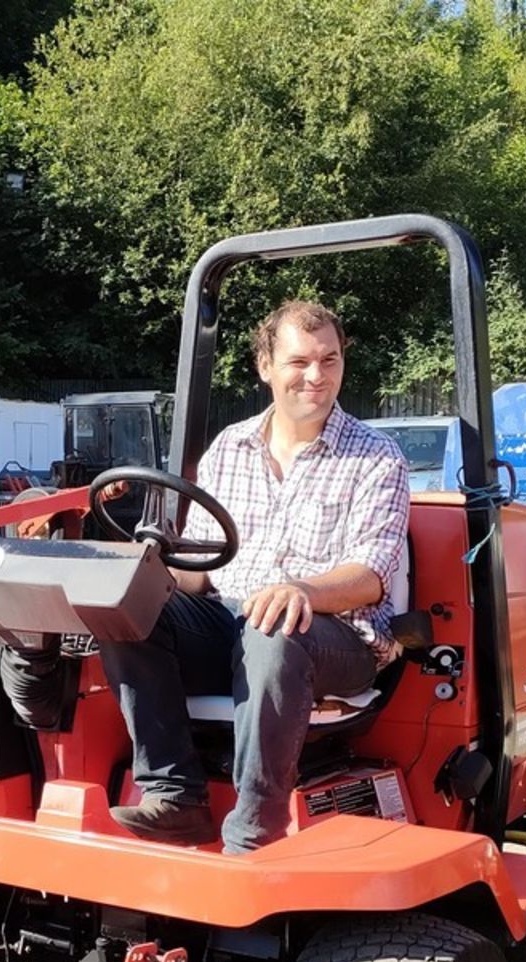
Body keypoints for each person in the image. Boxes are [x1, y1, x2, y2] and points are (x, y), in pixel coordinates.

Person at [98, 299, 410, 853]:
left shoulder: (377, 457)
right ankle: (176, 795)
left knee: (273, 623)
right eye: (299, 362)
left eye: (329, 360)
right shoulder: (229, 448)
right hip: (233, 619)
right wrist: (138, 574)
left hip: (337, 633)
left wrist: (302, 590)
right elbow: (200, 571)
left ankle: (254, 829)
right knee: (131, 611)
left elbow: (372, 574)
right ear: (265, 365)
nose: (316, 376)